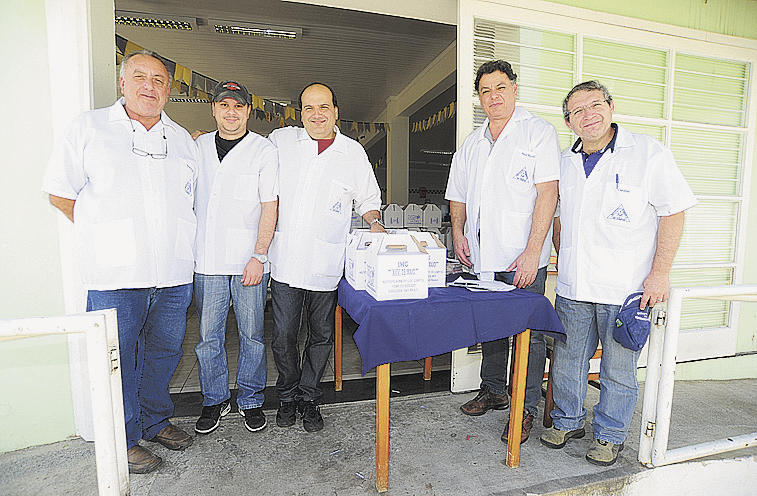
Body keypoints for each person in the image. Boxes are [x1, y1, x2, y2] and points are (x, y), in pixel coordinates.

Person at [42, 50, 199, 474]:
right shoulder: (89, 128)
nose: (150, 86)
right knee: (117, 359)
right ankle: (123, 438)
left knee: (164, 353)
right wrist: (102, 232)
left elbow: (190, 203)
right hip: (115, 276)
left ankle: (155, 421)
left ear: (169, 89)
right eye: (141, 77)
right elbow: (60, 191)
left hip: (172, 275)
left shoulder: (182, 140)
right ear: (123, 83)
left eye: (160, 80)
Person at [540, 80, 696, 466]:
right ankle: (568, 420)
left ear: (611, 107)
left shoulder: (647, 153)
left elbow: (673, 211)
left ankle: (609, 436)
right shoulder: (563, 161)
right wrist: (565, 255)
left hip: (626, 288)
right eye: (577, 111)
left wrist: (660, 274)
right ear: (569, 122)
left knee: (618, 367)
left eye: (595, 105)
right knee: (568, 360)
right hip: (574, 286)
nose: (588, 115)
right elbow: (556, 216)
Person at [445, 60, 560, 444]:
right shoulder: (473, 142)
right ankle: (493, 389)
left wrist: (533, 251)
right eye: (485, 91)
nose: (493, 96)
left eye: (500, 88)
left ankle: (524, 406)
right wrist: (458, 233)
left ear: (514, 88)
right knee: (491, 327)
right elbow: (457, 195)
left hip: (523, 257)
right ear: (479, 98)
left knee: (528, 332)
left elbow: (548, 194)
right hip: (483, 255)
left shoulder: (537, 133)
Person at [268, 82, 384, 432]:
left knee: (320, 336)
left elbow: (367, 199)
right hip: (285, 261)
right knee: (284, 336)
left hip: (325, 265)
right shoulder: (281, 141)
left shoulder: (352, 153)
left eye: (323, 107)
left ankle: (308, 395)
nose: (316, 114)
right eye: (308, 108)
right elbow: (247, 154)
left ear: (336, 111)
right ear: (300, 112)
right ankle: (287, 395)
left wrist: (376, 226)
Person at [192, 81, 278, 435]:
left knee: (253, 335)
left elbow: (270, 206)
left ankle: (251, 399)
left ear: (247, 111)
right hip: (207, 260)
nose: (231, 112)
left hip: (248, 260)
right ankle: (214, 399)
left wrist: (259, 255)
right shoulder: (195, 145)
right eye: (224, 105)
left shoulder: (263, 149)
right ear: (214, 109)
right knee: (208, 337)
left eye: (238, 106)